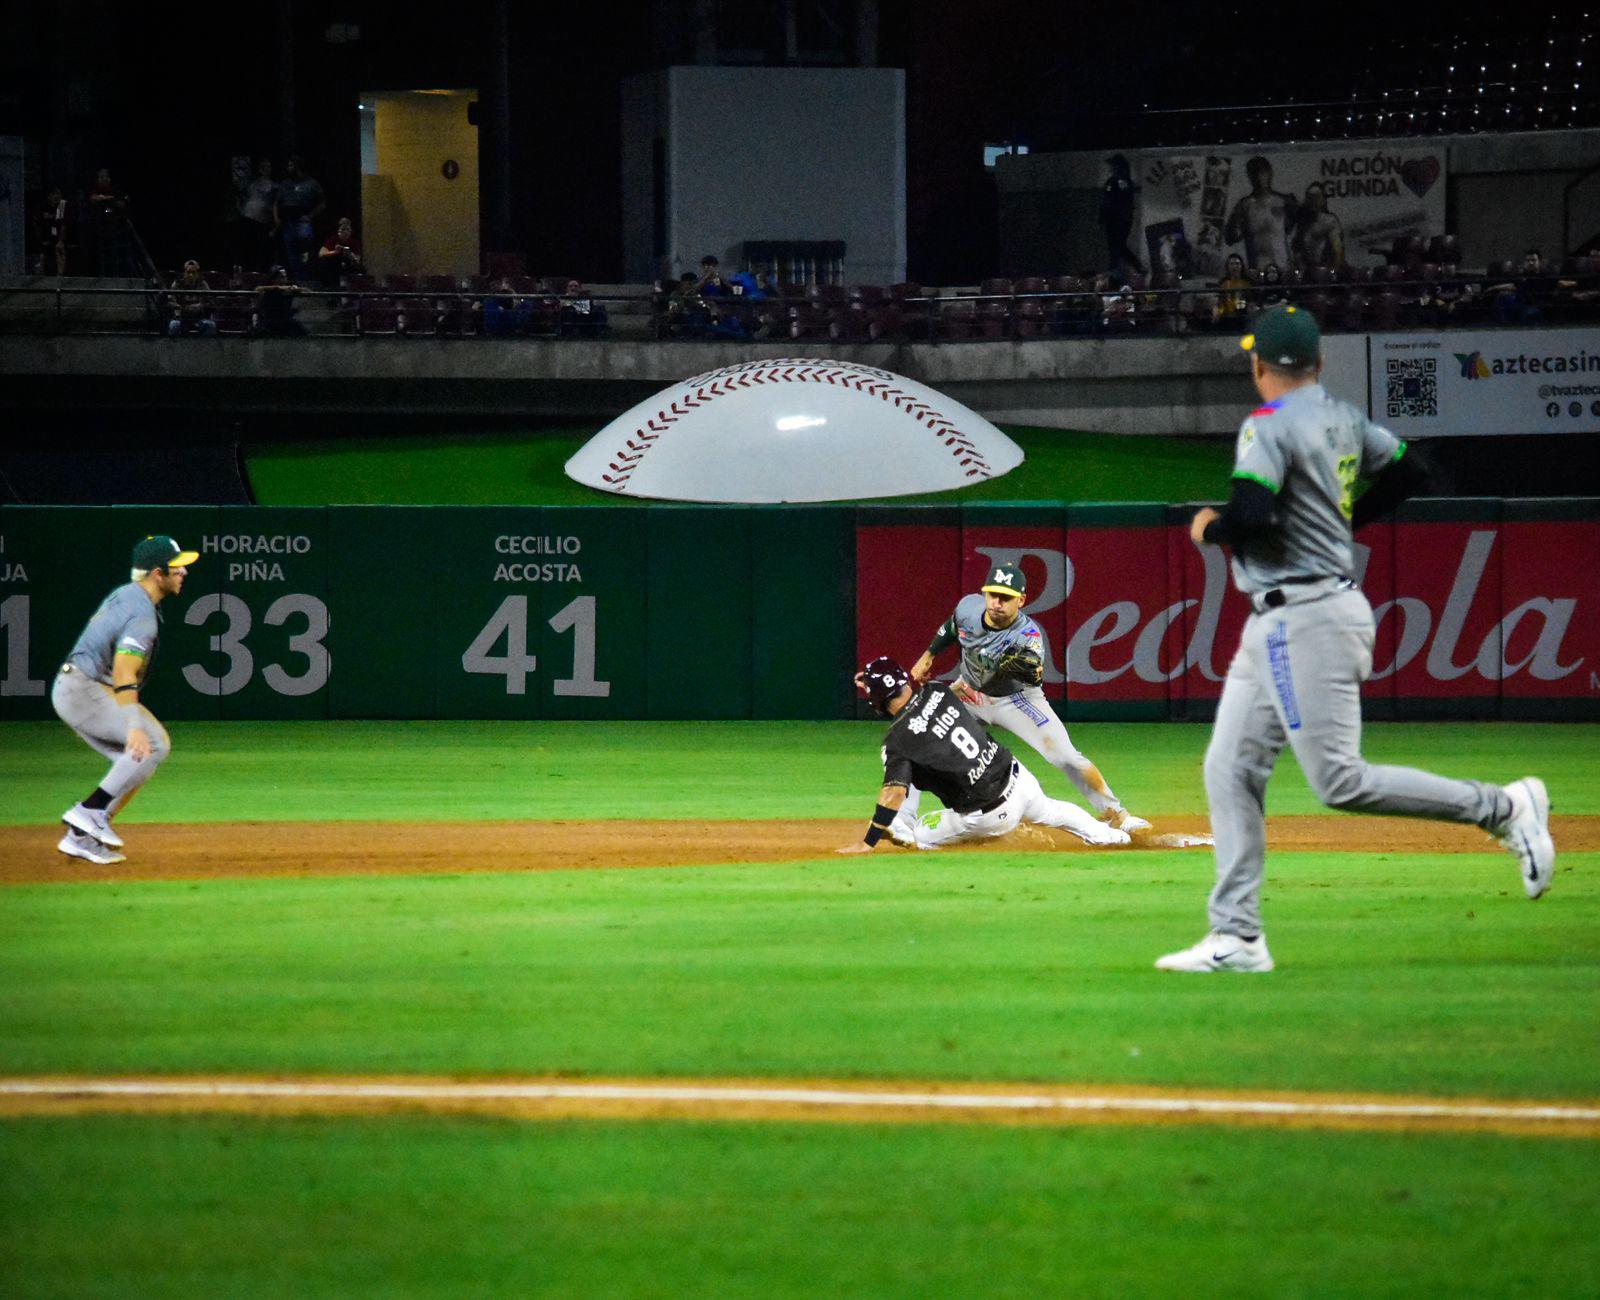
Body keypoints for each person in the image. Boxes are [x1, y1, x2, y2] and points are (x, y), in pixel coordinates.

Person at [1156, 304, 1555, 974]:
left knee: (1340, 781)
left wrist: (1208, 529)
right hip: (1288, 616)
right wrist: (1348, 523)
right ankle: (1237, 937)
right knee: (1229, 768)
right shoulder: (1343, 418)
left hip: (1305, 616)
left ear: (1259, 365)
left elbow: (1251, 515)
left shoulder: (1267, 423)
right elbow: (1410, 470)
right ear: (1317, 363)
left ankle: (1505, 807)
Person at [906, 562, 1151, 833]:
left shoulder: (1028, 636)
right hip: (969, 692)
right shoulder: (968, 607)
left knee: (1067, 757)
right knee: (917, 740)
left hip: (1016, 700)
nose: (997, 602)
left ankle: (1117, 815)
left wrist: (1020, 668)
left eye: (1006, 597)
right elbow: (952, 627)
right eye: (993, 594)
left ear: (1021, 600)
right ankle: (901, 822)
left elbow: (1032, 676)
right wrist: (929, 655)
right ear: (984, 593)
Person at [837, 657, 1130, 854]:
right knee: (1052, 811)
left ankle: (905, 827)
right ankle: (1114, 837)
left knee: (920, 833)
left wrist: (869, 841)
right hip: (1019, 780)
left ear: (876, 700)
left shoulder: (897, 740)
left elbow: (894, 792)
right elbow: (924, 708)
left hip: (988, 815)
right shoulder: (938, 691)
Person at [51, 535, 199, 865]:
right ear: (157, 574)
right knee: (151, 743)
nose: (183, 572)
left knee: (141, 757)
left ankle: (81, 837)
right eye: (176, 567)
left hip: (76, 688)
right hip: (83, 689)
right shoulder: (141, 614)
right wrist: (132, 726)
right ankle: (89, 812)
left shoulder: (128, 594)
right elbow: (123, 671)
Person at [1224, 156, 1297, 271]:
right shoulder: (1245, 205)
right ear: (1250, 176)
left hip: (1283, 266)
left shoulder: (1284, 201)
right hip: (1258, 268)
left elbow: (1294, 229)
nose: (1259, 178)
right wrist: (1238, 221)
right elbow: (1230, 237)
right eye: (1254, 174)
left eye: (1262, 173)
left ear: (1269, 173)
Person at [273, 154, 325, 282]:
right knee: (291, 252)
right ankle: (295, 277)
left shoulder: (311, 183)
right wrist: (277, 219)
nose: (288, 168)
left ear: (298, 166)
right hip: (287, 221)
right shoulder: (285, 184)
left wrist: (311, 215)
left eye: (291, 166)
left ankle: (305, 277)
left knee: (304, 250)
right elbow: (276, 203)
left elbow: (322, 203)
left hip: (302, 220)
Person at [1099, 154, 1144, 276]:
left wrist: (1122, 217)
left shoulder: (1122, 181)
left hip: (1120, 219)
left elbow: (1122, 201)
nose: (1111, 168)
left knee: (1118, 244)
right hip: (1113, 219)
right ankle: (1117, 268)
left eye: (1114, 166)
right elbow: (1106, 201)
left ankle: (1133, 266)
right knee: (1114, 245)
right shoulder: (1113, 181)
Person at [237, 157, 278, 271]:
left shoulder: (275, 186)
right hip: (247, 220)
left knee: (260, 251)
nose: (265, 169)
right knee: (246, 249)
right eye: (263, 166)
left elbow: (276, 206)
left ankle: (258, 273)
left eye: (267, 166)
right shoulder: (251, 183)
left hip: (263, 222)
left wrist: (275, 226)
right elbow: (241, 197)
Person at [1291, 182, 1343, 270]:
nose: (1314, 202)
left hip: (1325, 269)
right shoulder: (1301, 222)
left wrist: (1336, 268)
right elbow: (1296, 246)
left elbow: (1337, 248)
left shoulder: (1330, 221)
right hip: (1305, 270)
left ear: (1323, 200)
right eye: (1311, 198)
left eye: (1317, 197)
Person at [165, 259, 216, 336]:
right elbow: (170, 300)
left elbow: (211, 301)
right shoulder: (177, 283)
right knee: (174, 325)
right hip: (182, 317)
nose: (190, 275)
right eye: (188, 272)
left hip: (199, 317)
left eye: (193, 272)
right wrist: (179, 307)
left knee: (210, 325)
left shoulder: (202, 284)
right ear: (184, 272)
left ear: (197, 273)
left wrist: (201, 306)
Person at [254, 264, 306, 336]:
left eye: (285, 277)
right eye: (281, 277)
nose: (284, 280)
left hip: (285, 320)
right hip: (270, 321)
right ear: (273, 279)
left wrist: (295, 288)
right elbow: (258, 289)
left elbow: (307, 291)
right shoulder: (269, 290)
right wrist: (279, 288)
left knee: (302, 331)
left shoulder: (289, 290)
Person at [316, 216, 363, 288]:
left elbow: (357, 259)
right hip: (333, 264)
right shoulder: (333, 240)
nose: (345, 232)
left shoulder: (354, 242)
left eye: (347, 230)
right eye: (343, 229)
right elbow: (321, 254)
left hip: (349, 265)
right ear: (338, 231)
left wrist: (349, 253)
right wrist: (335, 252)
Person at [36, 186, 70, 276]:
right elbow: (38, 225)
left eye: (58, 194)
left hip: (60, 239)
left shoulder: (62, 206)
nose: (56, 196)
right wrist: (42, 240)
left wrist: (61, 241)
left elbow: (63, 225)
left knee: (59, 250)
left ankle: (60, 274)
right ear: (49, 196)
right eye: (53, 194)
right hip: (47, 238)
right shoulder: (43, 207)